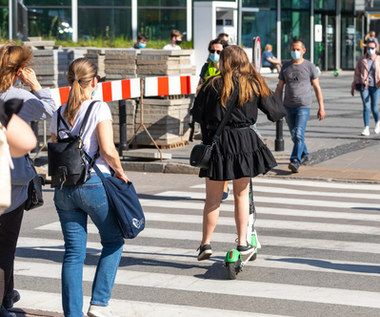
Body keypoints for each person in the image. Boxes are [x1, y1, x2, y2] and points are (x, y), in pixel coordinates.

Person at [50, 58, 128, 317]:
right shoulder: (98, 108)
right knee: (114, 240)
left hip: (64, 188)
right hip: (92, 183)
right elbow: (107, 150)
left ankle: (72, 314)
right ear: (94, 81)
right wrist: (120, 172)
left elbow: (56, 148)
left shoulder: (59, 112)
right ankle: (99, 303)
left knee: (73, 252)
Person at [192, 46, 285, 261]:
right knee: (241, 195)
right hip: (244, 142)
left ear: (223, 61)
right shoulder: (253, 83)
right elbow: (276, 112)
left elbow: (197, 114)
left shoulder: (211, 84)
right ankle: (242, 243)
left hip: (217, 142)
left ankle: (205, 243)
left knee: (213, 198)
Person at [0, 43, 56, 317]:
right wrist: (35, 83)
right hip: (10, 184)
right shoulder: (16, 97)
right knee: (5, 247)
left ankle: (8, 293)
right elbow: (50, 110)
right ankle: (3, 302)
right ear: (18, 70)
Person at [275, 39, 325, 173]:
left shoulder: (309, 66)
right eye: (293, 49)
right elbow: (279, 87)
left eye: (298, 49)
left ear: (304, 51)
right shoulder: (286, 67)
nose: (295, 52)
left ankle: (295, 160)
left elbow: (317, 87)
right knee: (295, 135)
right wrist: (276, 104)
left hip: (303, 106)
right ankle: (305, 154)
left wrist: (321, 107)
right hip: (288, 106)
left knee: (298, 133)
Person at [197, 38, 230, 200]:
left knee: (221, 153)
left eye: (218, 52)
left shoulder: (228, 69)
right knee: (208, 153)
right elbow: (199, 86)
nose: (215, 54)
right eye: (212, 51)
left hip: (222, 116)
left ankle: (223, 186)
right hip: (208, 115)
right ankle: (212, 189)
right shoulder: (206, 67)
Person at [351, 40, 380, 136]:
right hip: (364, 86)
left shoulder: (379, 59)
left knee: (374, 107)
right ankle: (366, 127)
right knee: (366, 106)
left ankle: (377, 122)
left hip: (376, 86)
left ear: (376, 48)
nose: (370, 50)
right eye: (368, 48)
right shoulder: (362, 59)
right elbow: (357, 73)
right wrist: (354, 85)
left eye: (372, 48)